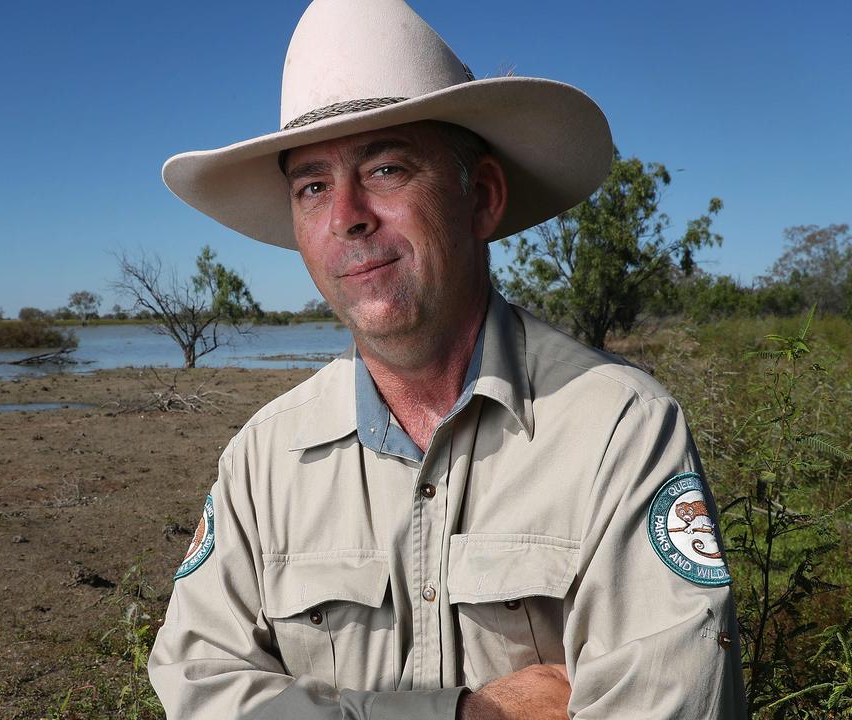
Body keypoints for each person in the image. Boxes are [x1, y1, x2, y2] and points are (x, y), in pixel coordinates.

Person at [147, 0, 746, 718]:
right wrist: (465, 716)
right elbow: (199, 685)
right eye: (312, 186)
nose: (346, 215)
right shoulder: (262, 462)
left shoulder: (620, 432)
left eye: (388, 168)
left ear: (482, 197)